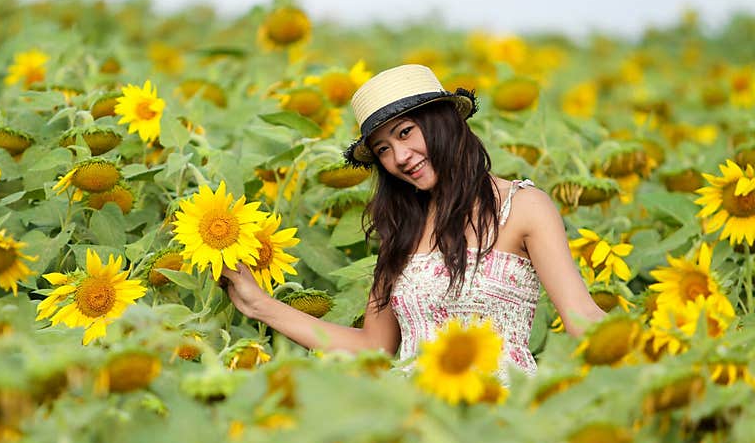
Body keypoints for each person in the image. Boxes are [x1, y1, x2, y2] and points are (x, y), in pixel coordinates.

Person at [220, 64, 605, 381]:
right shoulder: (403, 230)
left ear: (443, 123)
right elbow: (374, 346)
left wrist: (653, 345)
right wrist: (261, 305)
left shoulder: (523, 207)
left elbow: (582, 317)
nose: (400, 157)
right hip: (413, 420)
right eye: (384, 149)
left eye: (406, 133)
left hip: (499, 413)